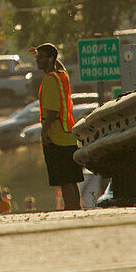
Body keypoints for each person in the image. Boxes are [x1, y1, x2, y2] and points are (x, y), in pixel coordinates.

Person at [31, 43, 83, 211]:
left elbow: (52, 111)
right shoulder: (62, 76)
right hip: (68, 134)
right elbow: (59, 65)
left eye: (40, 57)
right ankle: (76, 209)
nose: (37, 60)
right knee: (72, 179)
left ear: (51, 59)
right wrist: (45, 52)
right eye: (36, 57)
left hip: (57, 136)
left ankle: (71, 209)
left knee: (64, 179)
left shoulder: (50, 80)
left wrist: (44, 132)